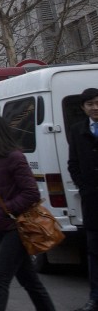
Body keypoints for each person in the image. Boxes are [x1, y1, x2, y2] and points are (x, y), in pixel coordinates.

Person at [0, 111, 56, 311]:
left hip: (16, 226)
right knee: (29, 280)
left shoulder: (14, 157)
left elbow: (31, 193)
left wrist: (6, 210)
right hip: (2, 226)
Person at [67, 87, 98, 311]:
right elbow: (73, 164)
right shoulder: (77, 130)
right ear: (83, 108)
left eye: (97, 103)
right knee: (94, 252)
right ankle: (95, 297)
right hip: (93, 202)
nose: (95, 108)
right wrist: (84, 187)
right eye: (90, 104)